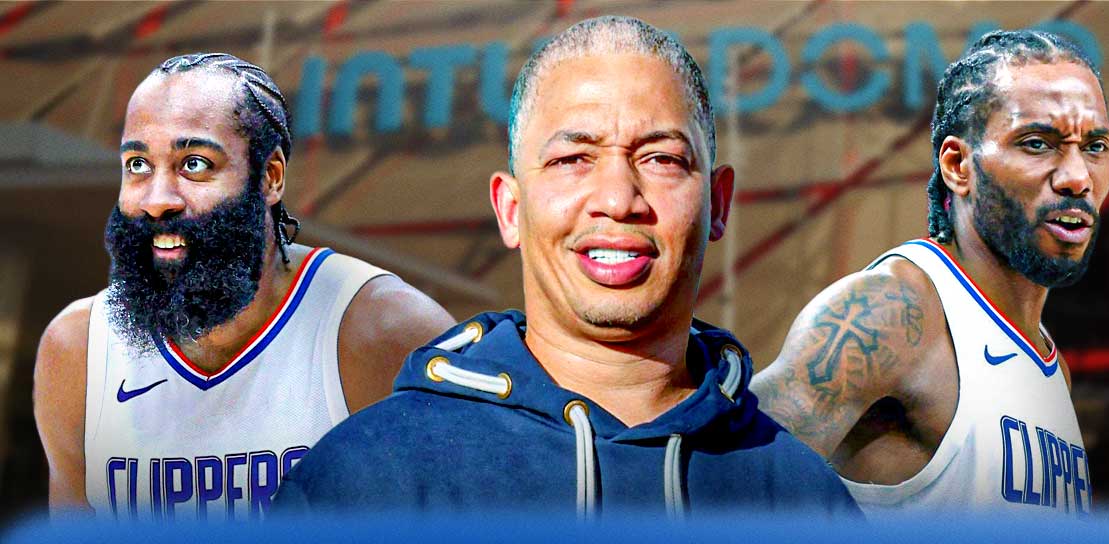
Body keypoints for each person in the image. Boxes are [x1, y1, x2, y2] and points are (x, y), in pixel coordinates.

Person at [274, 16, 856, 517]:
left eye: (661, 158)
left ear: (719, 204)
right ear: (511, 208)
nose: (618, 197)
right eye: (573, 158)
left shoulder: (805, 503)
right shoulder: (365, 485)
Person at [33, 53, 455, 519]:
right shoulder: (78, 352)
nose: (157, 200)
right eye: (137, 165)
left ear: (270, 176)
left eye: (193, 163)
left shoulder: (383, 334)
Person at [751, 30, 1109, 516]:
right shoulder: (887, 317)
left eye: (1094, 146)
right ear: (958, 165)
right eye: (1037, 143)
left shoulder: (1050, 364)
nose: (1077, 177)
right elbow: (712, 493)